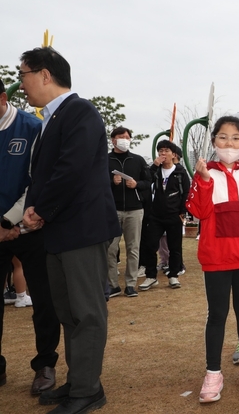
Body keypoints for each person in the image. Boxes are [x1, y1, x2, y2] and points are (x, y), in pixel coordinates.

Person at [21, 47, 120, 414]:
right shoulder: (52, 118)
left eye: (24, 75)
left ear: (45, 75)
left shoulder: (80, 111)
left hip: (82, 230)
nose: (21, 84)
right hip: (59, 232)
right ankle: (78, 380)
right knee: (67, 311)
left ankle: (88, 390)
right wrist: (36, 210)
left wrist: (40, 211)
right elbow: (44, 174)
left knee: (87, 312)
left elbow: (71, 169)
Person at [186, 116, 239, 401]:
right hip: (216, 259)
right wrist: (204, 180)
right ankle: (213, 372)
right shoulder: (205, 173)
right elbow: (197, 212)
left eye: (236, 138)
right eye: (223, 137)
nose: (229, 143)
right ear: (213, 141)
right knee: (217, 315)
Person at [0, 79, 61, 396]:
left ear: (2, 98)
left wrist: (8, 221)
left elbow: (39, 180)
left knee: (44, 299)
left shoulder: (33, 127)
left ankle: (45, 364)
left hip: (30, 227)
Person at [138, 140, 190, 290]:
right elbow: (145, 182)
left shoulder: (180, 173)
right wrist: (154, 166)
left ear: (173, 155)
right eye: (160, 151)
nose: (163, 153)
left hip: (174, 215)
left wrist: (183, 212)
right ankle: (150, 276)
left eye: (166, 151)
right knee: (150, 245)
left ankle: (173, 275)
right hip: (155, 215)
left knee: (175, 247)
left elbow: (186, 193)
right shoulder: (155, 171)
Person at [106, 126, 151, 298]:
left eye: (127, 137)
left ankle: (131, 284)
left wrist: (137, 184)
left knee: (133, 248)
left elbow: (148, 181)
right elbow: (96, 183)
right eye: (120, 137)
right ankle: (113, 285)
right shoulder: (105, 160)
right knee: (110, 249)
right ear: (113, 140)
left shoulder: (138, 160)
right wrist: (112, 182)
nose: (124, 140)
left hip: (135, 210)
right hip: (112, 210)